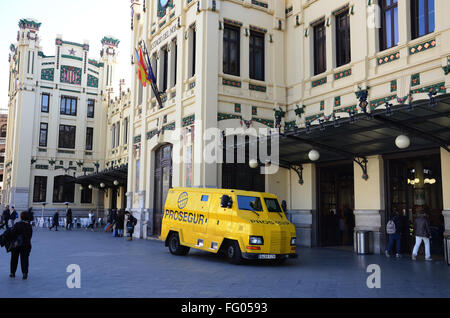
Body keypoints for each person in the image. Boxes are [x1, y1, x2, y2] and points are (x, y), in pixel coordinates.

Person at [9, 211, 33, 280]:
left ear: (21, 217)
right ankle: (25, 273)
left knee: (14, 259)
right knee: (25, 259)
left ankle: (12, 273)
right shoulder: (29, 226)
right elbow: (30, 236)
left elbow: (12, 234)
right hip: (26, 245)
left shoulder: (17, 224)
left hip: (16, 244)